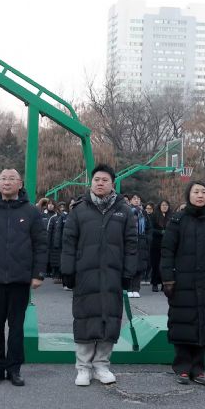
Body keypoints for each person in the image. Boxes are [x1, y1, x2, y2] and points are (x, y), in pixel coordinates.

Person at [61, 164, 137, 387]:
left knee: (109, 319)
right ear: (91, 183)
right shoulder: (79, 210)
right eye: (97, 179)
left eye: (105, 180)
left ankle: (102, 365)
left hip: (113, 273)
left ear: (112, 184)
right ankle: (83, 367)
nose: (100, 183)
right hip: (85, 273)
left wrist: (129, 273)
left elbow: (132, 244)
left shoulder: (124, 211)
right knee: (84, 318)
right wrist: (67, 271)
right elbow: (68, 243)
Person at [0, 169, 47, 387]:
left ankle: (14, 369)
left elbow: (40, 245)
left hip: (20, 280)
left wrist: (38, 274)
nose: (7, 182)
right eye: (3, 179)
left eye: (11, 179)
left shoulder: (31, 212)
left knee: (17, 327)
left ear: (20, 184)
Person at [161, 181, 205, 386]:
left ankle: (198, 368)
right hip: (182, 281)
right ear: (188, 195)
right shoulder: (177, 220)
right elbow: (167, 251)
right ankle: (182, 367)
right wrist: (168, 279)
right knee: (182, 321)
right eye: (196, 192)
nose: (200, 195)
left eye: (203, 192)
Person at [128, 193, 151, 298]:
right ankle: (129, 288)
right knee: (130, 265)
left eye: (138, 198)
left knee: (139, 266)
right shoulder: (127, 211)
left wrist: (147, 239)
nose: (136, 200)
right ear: (130, 200)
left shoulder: (143, 213)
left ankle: (136, 288)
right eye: (134, 198)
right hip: (130, 241)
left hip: (141, 242)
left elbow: (149, 228)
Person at [150, 200, 170, 292]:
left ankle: (163, 283)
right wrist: (161, 232)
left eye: (166, 205)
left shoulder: (171, 216)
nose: (165, 207)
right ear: (159, 206)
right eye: (163, 205)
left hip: (167, 244)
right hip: (156, 243)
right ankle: (154, 283)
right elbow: (151, 229)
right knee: (155, 264)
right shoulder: (154, 216)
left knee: (165, 265)